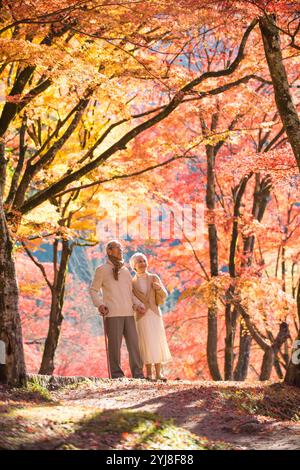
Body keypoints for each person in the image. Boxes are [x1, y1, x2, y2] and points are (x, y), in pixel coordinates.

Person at [89, 240, 146, 379]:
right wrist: (100, 304)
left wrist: (138, 304)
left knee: (134, 346)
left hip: (128, 313)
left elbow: (130, 293)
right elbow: (93, 290)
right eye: (117, 248)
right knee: (115, 348)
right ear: (109, 251)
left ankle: (138, 375)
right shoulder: (101, 270)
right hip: (112, 314)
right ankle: (117, 376)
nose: (121, 250)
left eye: (121, 248)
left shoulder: (126, 271)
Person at [129, 252, 172, 381]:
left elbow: (164, 295)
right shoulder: (132, 282)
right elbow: (131, 299)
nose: (142, 264)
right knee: (145, 342)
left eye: (144, 261)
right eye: (139, 262)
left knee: (156, 341)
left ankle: (159, 373)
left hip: (154, 314)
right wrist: (137, 307)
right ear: (134, 266)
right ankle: (149, 374)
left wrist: (158, 288)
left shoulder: (154, 277)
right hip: (141, 316)